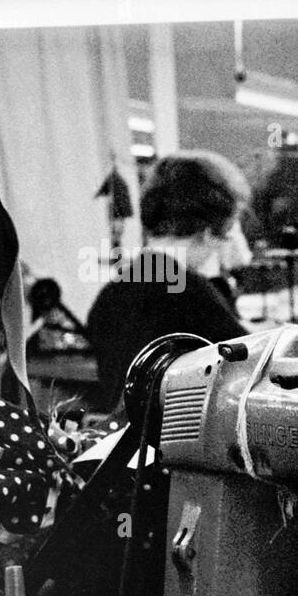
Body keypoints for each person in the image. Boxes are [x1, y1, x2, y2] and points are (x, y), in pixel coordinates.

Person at [86, 151, 247, 410]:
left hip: (122, 444)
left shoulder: (108, 297)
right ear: (208, 232)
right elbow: (250, 368)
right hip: (174, 445)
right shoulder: (191, 294)